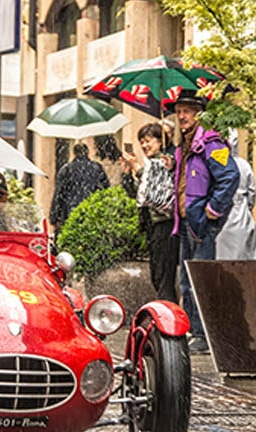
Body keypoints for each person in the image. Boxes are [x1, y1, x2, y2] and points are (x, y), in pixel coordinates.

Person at [172, 90, 240, 354]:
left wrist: (213, 208)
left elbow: (229, 177)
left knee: (199, 279)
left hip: (200, 223)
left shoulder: (211, 143)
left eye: (187, 111)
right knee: (187, 281)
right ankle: (193, 331)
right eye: (179, 111)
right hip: (187, 222)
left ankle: (202, 334)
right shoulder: (184, 146)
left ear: (199, 113)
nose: (181, 116)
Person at [119, 123, 179, 302]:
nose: (144, 146)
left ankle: (169, 321)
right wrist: (128, 174)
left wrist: (137, 168)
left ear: (160, 142)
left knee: (163, 277)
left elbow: (154, 191)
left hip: (166, 225)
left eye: (148, 141)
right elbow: (138, 197)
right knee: (157, 275)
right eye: (142, 142)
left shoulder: (166, 161)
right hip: (153, 226)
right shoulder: (150, 163)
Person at [215, 131, 256, 260]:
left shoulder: (215, 164)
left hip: (221, 213)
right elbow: (252, 193)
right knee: (246, 255)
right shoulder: (244, 165)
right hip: (242, 213)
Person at [50, 143, 110, 229]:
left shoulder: (66, 169)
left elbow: (59, 194)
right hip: (92, 212)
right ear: (87, 153)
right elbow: (105, 190)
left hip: (70, 213)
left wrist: (54, 217)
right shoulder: (96, 168)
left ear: (74, 153)